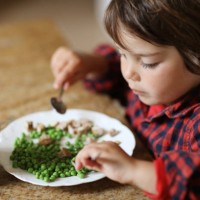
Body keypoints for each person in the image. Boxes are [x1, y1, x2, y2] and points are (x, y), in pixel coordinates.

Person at [50, 0, 200, 199]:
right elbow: (114, 74)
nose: (129, 72)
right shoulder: (151, 85)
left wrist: (134, 171)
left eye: (148, 63)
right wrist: (91, 64)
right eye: (123, 54)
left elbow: (193, 180)